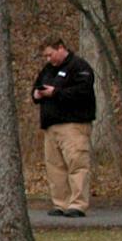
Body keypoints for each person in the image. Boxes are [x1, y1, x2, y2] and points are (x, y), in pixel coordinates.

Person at [30, 36, 97, 218]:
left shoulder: (79, 67)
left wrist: (56, 92)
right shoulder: (48, 70)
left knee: (77, 164)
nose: (48, 59)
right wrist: (37, 93)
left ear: (61, 48)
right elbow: (37, 87)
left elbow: (82, 92)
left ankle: (78, 204)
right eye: (45, 56)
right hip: (51, 126)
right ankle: (61, 203)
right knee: (55, 167)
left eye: (50, 55)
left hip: (73, 125)